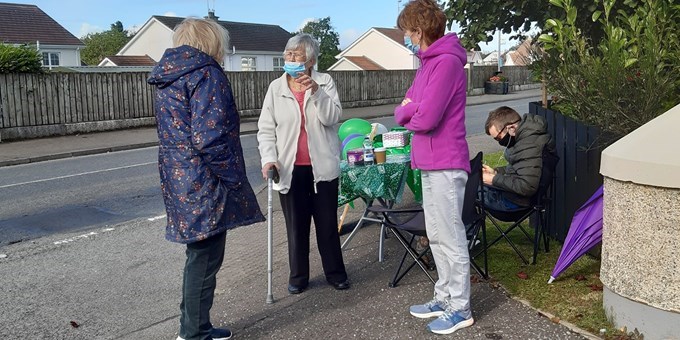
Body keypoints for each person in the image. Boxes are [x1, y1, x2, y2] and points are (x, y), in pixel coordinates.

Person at [147, 18, 264, 340]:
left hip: (179, 178)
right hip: (203, 180)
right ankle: (193, 332)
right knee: (205, 257)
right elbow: (210, 138)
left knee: (198, 255)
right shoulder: (206, 74)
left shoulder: (170, 76)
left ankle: (196, 326)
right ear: (211, 41)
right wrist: (234, 179)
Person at [393, 0, 474, 335]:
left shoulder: (445, 64)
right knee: (437, 236)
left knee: (450, 237)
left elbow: (425, 116)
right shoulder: (427, 64)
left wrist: (412, 109)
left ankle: (461, 307)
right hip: (429, 162)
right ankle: (444, 296)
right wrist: (410, 109)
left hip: (445, 161)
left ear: (420, 31)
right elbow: (403, 109)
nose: (406, 39)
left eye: (407, 33)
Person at [257, 33, 349, 295]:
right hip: (290, 169)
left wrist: (316, 92)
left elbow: (332, 118)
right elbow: (266, 129)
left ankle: (335, 273)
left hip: (322, 169)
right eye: (288, 53)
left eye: (296, 54)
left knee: (327, 226)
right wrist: (269, 159)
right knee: (296, 227)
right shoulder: (276, 88)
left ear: (310, 60)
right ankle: (298, 276)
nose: (291, 58)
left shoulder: (325, 82)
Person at [482, 106, 555, 211]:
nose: (499, 142)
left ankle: (462, 227)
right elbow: (519, 168)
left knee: (470, 190)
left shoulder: (528, 145)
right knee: (473, 186)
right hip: (515, 197)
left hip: (515, 203)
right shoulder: (527, 137)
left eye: (498, 137)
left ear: (511, 128)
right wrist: (495, 172)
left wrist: (493, 179)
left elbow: (527, 186)